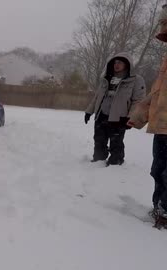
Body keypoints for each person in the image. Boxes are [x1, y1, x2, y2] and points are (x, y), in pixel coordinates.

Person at [128, 5, 167, 229]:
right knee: (158, 171)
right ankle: (159, 208)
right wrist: (139, 116)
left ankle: (165, 213)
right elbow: (157, 93)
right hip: (161, 128)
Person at [85, 52, 146, 166]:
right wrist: (89, 111)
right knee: (99, 140)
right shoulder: (107, 77)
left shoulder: (136, 80)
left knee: (116, 142)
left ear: (127, 64)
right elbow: (97, 96)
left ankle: (115, 164)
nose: (116, 65)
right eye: (115, 62)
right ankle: (98, 161)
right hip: (102, 115)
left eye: (120, 62)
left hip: (119, 118)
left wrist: (130, 118)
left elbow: (138, 101)